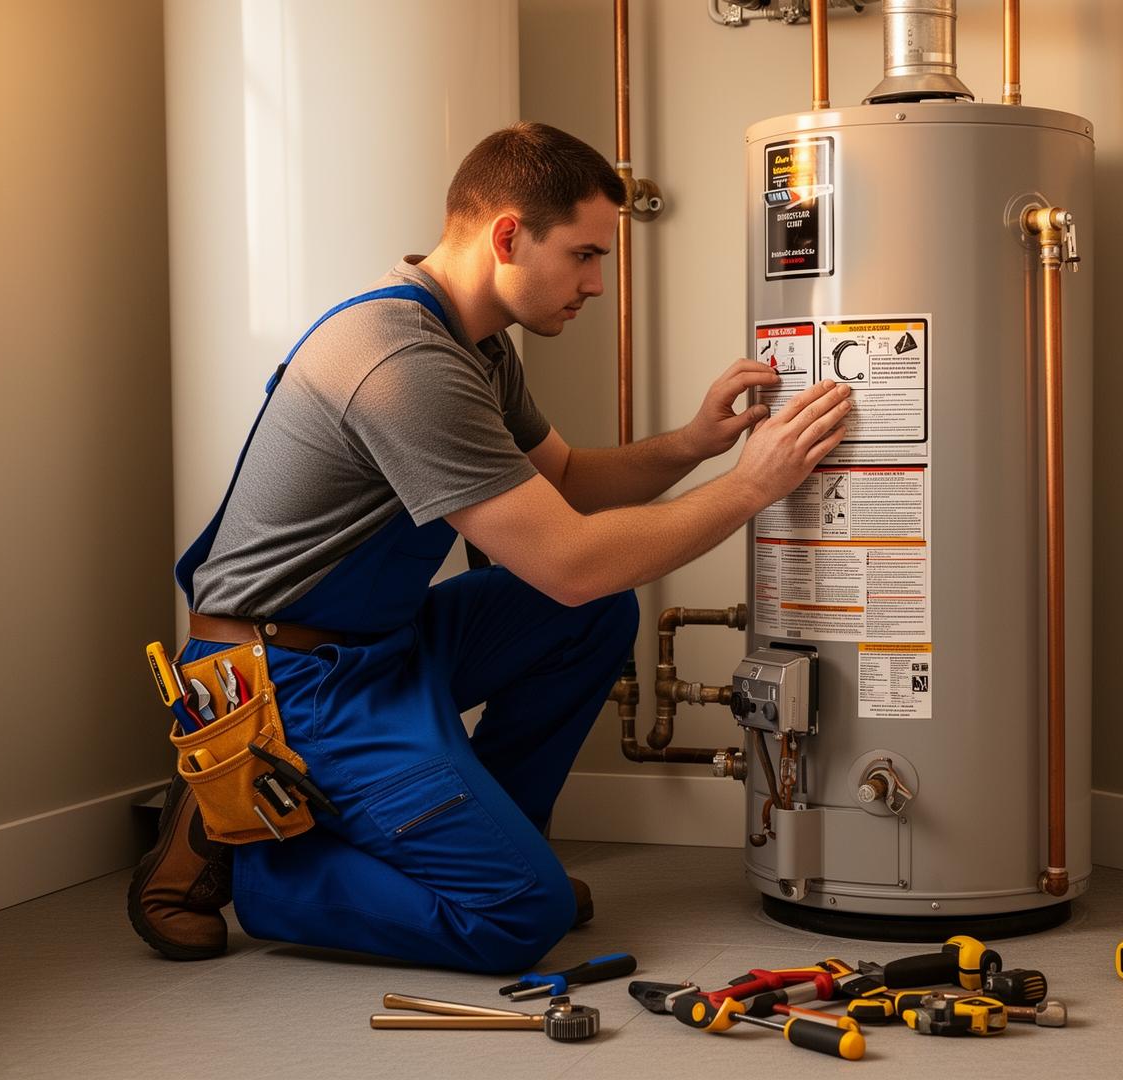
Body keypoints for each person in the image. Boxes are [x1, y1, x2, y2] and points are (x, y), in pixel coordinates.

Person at [129, 122, 852, 973]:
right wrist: (748, 489)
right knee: (519, 916)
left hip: (382, 648)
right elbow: (569, 560)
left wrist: (695, 445)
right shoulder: (401, 360)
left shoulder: (475, 344)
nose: (596, 283)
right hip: (287, 680)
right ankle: (273, 873)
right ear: (508, 234)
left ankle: (498, 837)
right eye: (584, 255)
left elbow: (569, 484)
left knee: (588, 619)